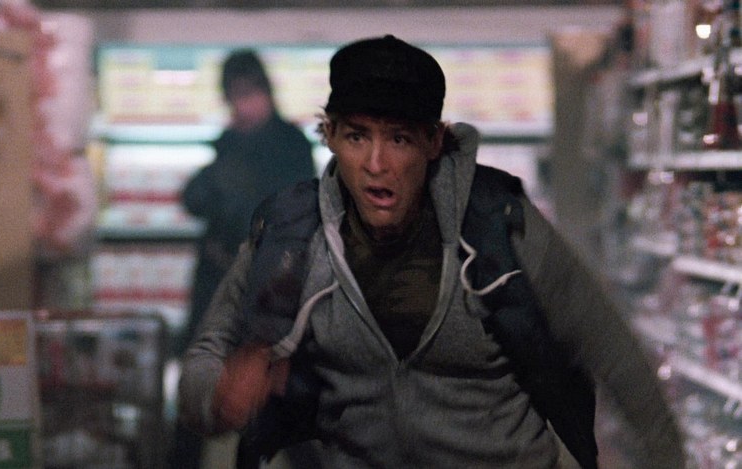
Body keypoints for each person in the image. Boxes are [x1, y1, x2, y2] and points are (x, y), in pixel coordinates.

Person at [177, 35, 687, 469]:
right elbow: (204, 358)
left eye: (399, 139)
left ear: (434, 141)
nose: (376, 163)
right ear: (328, 135)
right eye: (357, 136)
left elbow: (613, 352)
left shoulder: (499, 228)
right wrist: (218, 396)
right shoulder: (293, 233)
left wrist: (669, 460)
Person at [171, 49, 317, 469]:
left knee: (283, 385)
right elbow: (194, 198)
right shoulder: (231, 142)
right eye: (236, 96)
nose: (243, 106)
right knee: (202, 383)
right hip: (221, 279)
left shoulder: (288, 145)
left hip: (276, 286)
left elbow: (288, 211)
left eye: (249, 94)